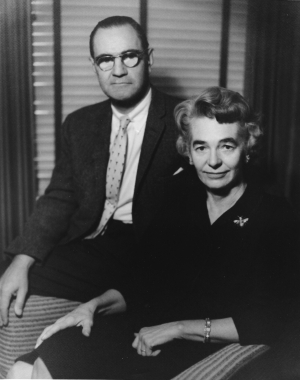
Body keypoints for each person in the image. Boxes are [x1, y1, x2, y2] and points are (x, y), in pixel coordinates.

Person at [8, 86, 300, 379]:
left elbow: (271, 318)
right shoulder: (178, 194)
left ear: (247, 146)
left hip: (194, 345)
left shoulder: (274, 214)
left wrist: (178, 329)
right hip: (144, 330)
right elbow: (141, 281)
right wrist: (93, 306)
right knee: (42, 359)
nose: (212, 161)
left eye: (227, 146)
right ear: (187, 150)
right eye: (201, 147)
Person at [0, 15, 184, 366]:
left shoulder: (181, 119)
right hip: (92, 243)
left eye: (129, 56)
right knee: (5, 274)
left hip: (150, 252)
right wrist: (21, 260)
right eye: (105, 60)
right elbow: (58, 197)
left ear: (149, 57)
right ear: (94, 66)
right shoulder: (80, 123)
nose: (118, 70)